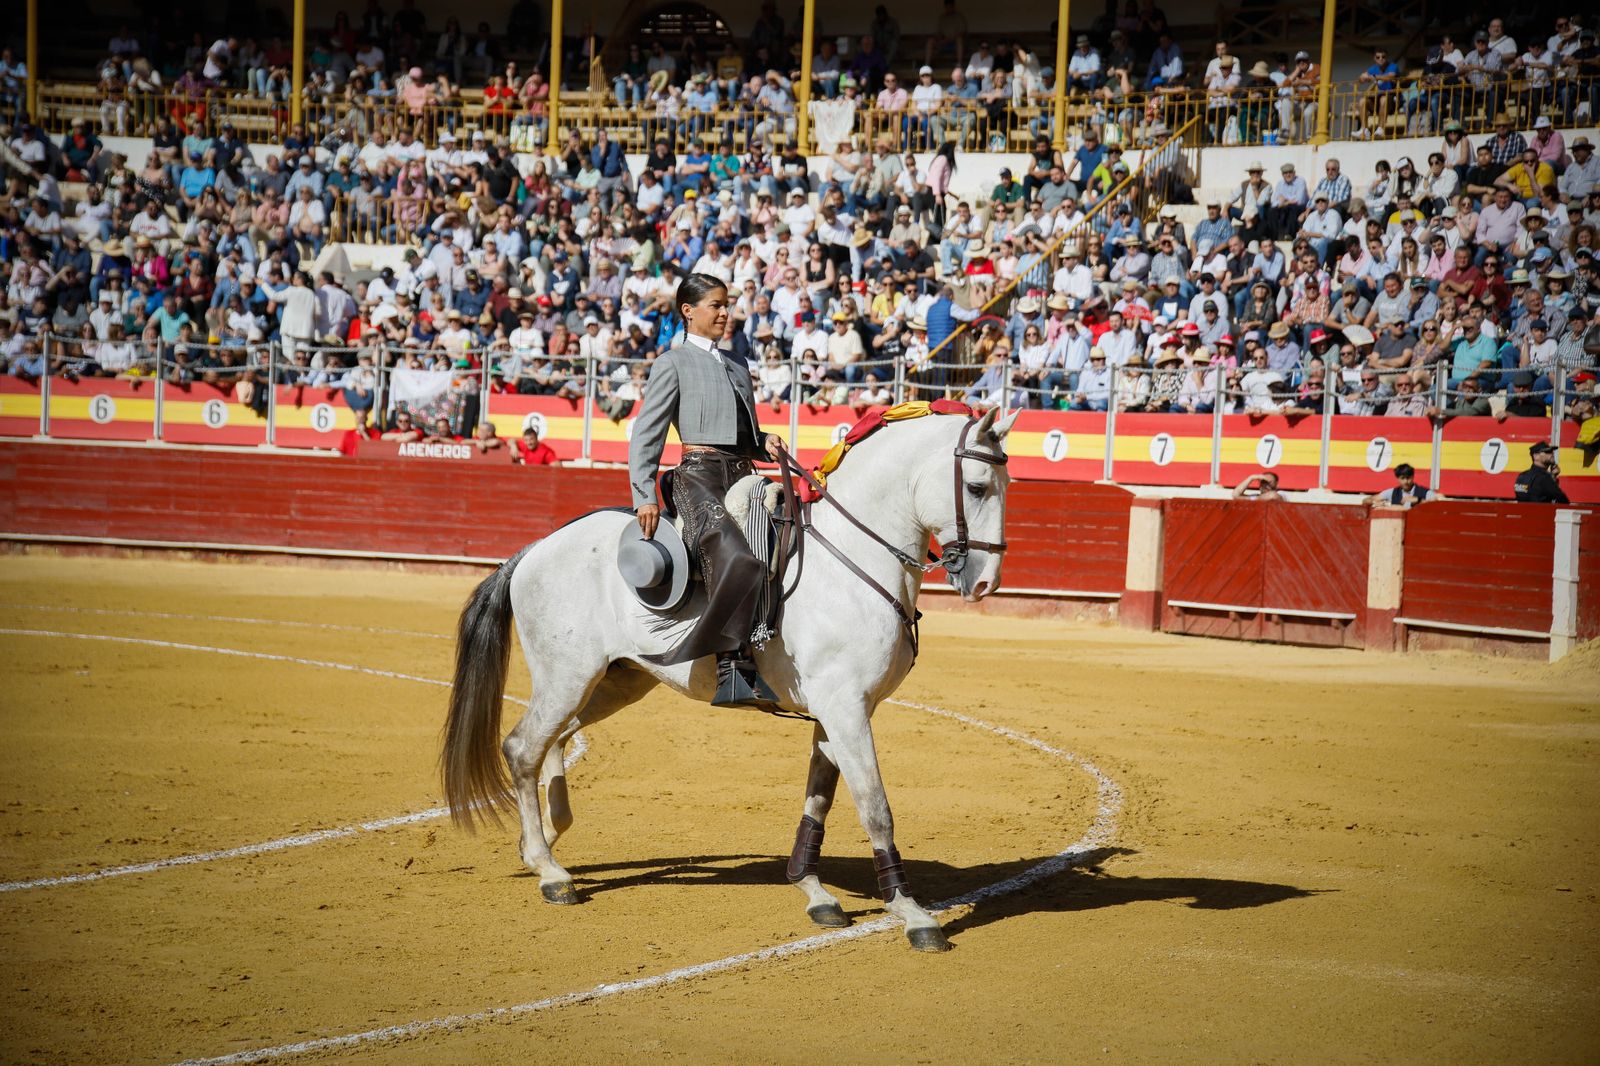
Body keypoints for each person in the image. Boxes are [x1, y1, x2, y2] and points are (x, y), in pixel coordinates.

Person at [629, 273, 784, 707]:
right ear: (688, 310)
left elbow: (743, 432)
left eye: (727, 304)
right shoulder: (672, 362)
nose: (724, 313)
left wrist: (765, 441)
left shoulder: (737, 363)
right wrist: (644, 494)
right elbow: (647, 434)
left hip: (743, 474)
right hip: (697, 478)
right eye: (715, 305)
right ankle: (731, 665)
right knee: (733, 552)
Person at [1368, 463, 1434, 508]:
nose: (1406, 481)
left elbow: (1440, 502)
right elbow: (1366, 500)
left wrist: (1419, 500)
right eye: (1402, 478)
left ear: (1413, 477)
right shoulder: (1392, 492)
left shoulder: (1424, 492)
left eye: (1408, 478)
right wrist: (1377, 503)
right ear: (1398, 479)